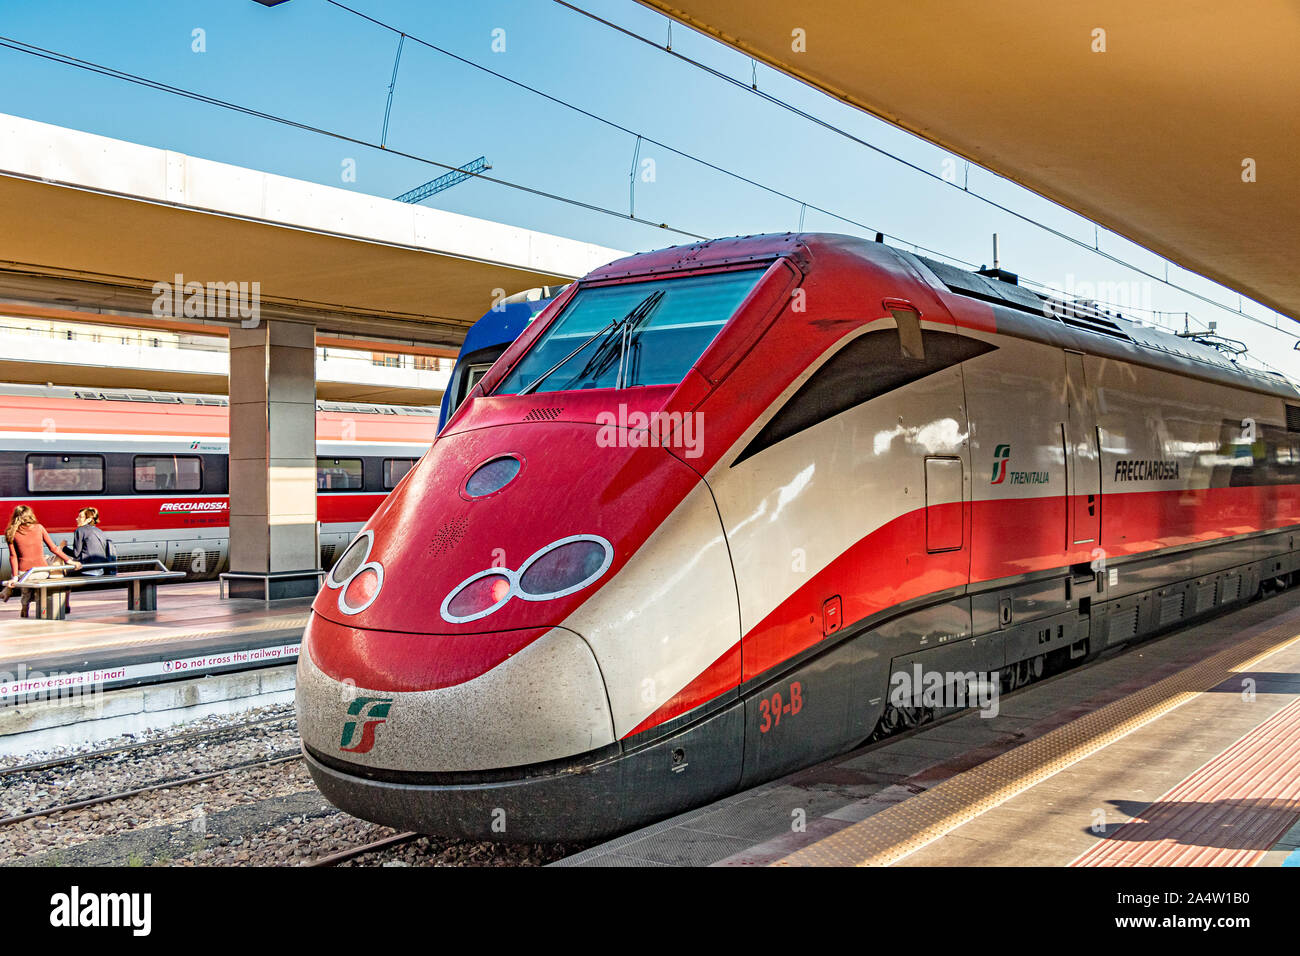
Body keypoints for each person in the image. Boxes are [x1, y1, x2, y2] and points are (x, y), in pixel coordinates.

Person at [2, 505, 80, 618]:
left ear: (15, 517)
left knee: (25, 583)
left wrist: (14, 577)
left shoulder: (11, 532)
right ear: (30, 515)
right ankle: (40, 608)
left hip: (24, 573)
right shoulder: (39, 528)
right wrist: (69, 561)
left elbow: (13, 557)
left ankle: (24, 605)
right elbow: (53, 548)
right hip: (41, 571)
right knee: (44, 567)